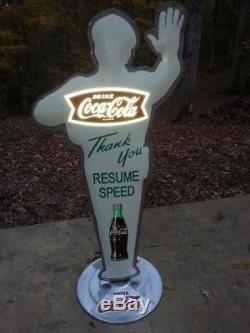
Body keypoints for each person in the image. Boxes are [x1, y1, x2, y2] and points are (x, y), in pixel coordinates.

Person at [33, 2, 185, 281]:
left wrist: (170, 54)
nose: (108, 50)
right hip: (110, 170)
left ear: (95, 50)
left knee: (117, 218)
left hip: (124, 168)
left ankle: (119, 269)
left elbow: (44, 113)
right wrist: (169, 54)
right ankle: (117, 269)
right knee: (113, 218)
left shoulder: (121, 85)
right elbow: (43, 113)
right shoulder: (107, 86)